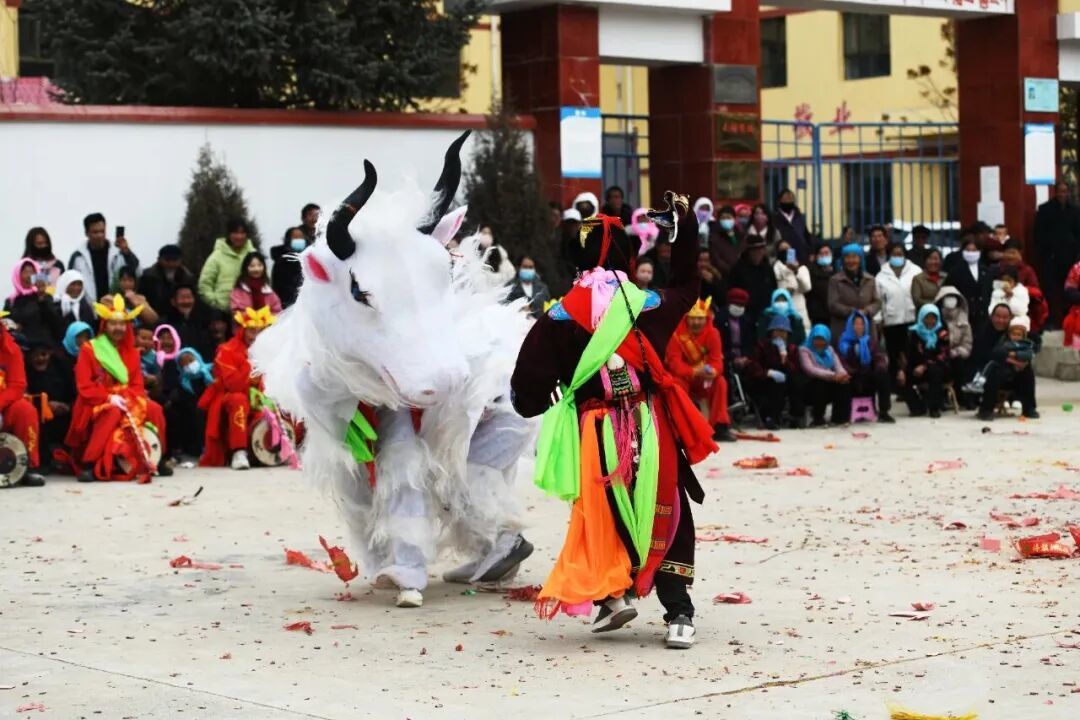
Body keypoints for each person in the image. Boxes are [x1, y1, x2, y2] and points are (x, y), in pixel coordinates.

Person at [511, 199, 717, 648]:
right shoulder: (646, 304)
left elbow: (528, 381)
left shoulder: (561, 314)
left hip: (596, 429)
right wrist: (683, 228)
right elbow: (687, 283)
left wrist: (534, 401)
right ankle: (678, 611)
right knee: (664, 505)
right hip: (648, 422)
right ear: (628, 255)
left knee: (603, 512)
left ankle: (613, 595)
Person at [64, 295, 170, 482]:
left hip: (128, 398)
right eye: (113, 323)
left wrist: (128, 398)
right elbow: (84, 386)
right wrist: (109, 397)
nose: (118, 328)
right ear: (105, 325)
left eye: (122, 324)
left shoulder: (132, 353)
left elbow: (137, 385)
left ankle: (157, 456)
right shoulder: (90, 349)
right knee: (111, 411)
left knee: (155, 409)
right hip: (95, 401)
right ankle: (90, 463)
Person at [199, 306, 275, 469]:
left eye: (261, 331)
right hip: (230, 396)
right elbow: (233, 385)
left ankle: (275, 448)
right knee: (238, 400)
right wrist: (250, 364)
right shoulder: (226, 350)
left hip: (259, 397)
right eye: (252, 331)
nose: (256, 336)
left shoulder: (270, 351)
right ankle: (238, 451)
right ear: (243, 330)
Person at [665, 297, 735, 442]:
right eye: (693, 318)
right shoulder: (676, 335)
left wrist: (713, 372)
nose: (696, 322)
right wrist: (695, 371)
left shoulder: (713, 334)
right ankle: (681, 428)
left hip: (704, 379)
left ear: (706, 319)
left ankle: (720, 426)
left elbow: (717, 362)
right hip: (684, 378)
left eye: (700, 318)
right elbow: (674, 364)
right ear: (686, 318)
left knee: (720, 382)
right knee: (676, 385)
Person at [24, 337, 75, 475]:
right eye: (35, 355)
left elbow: (76, 394)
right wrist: (44, 405)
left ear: (50, 354)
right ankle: (42, 462)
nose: (39, 359)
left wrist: (67, 406)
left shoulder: (63, 369)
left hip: (64, 414)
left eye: (43, 354)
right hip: (39, 416)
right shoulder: (25, 372)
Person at [748, 313, 804, 430]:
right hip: (765, 380)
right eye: (777, 331)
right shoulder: (762, 346)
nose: (780, 334)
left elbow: (794, 369)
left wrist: (784, 358)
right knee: (775, 386)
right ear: (771, 332)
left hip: (785, 379)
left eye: (783, 332)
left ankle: (796, 416)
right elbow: (754, 365)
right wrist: (768, 373)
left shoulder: (792, 349)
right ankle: (771, 418)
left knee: (797, 382)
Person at [1034, 181, 1080, 323]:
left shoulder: (1075, 210)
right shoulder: (1045, 209)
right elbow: (1038, 235)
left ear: (1068, 192)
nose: (1062, 194)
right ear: (1055, 192)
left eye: (1065, 191)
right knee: (1051, 290)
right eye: (1060, 191)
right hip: (1051, 258)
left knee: (1069, 289)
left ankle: (1068, 318)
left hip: (1070, 257)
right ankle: (1053, 320)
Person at [976, 316, 1038, 421]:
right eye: (1014, 334)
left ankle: (1029, 408)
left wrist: (1018, 357)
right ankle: (986, 410)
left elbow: (1029, 354)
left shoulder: (1026, 344)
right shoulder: (1004, 342)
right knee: (995, 372)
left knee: (1027, 372)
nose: (1016, 337)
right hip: (1000, 374)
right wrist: (1012, 358)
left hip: (1017, 376)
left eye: (1019, 334)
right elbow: (997, 354)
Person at [837, 310, 894, 423]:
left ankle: (884, 412)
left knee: (883, 375)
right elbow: (841, 361)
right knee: (844, 380)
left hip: (868, 374)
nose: (859, 327)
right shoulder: (843, 342)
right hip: (852, 375)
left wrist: (880, 366)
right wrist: (851, 371)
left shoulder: (870, 341)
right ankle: (843, 415)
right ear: (850, 325)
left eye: (861, 324)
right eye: (856, 324)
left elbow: (878, 357)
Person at [876, 243, 921, 379]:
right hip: (891, 321)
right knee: (893, 355)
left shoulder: (915, 271)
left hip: (912, 319)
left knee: (911, 354)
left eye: (900, 254)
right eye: (894, 254)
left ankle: (911, 382)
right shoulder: (881, 276)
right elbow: (878, 300)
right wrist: (879, 320)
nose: (897, 257)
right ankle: (894, 383)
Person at [68, 213, 136, 303]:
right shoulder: (78, 257)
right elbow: (70, 285)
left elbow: (136, 274)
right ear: (86, 233)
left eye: (102, 231)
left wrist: (127, 252)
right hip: (89, 308)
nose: (100, 235)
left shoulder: (118, 253)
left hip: (115, 308)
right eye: (95, 232)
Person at [899, 304, 950, 418]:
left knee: (935, 371)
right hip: (916, 367)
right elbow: (907, 353)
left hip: (938, 367)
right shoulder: (913, 333)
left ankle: (934, 408)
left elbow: (943, 355)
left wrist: (924, 365)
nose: (930, 321)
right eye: (927, 318)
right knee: (902, 376)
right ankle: (917, 407)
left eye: (933, 318)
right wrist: (902, 370)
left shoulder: (942, 333)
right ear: (921, 318)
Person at [164, 347, 212, 464]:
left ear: (197, 358)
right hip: (192, 415)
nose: (189, 365)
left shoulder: (210, 371)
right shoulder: (183, 382)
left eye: (191, 360)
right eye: (184, 364)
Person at [198, 218, 256, 312]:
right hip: (223, 313)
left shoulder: (253, 254)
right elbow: (204, 284)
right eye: (235, 233)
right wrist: (216, 305)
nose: (239, 236)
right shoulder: (217, 256)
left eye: (242, 233)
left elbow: (265, 281)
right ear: (229, 234)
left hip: (251, 312)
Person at [798, 324, 850, 427]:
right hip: (809, 386)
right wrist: (833, 375)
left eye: (822, 339)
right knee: (819, 384)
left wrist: (843, 375)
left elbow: (838, 365)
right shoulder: (804, 350)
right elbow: (810, 370)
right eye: (817, 339)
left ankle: (839, 418)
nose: (819, 342)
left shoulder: (829, 350)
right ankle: (818, 419)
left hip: (828, 382)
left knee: (844, 384)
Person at [828, 244, 880, 339]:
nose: (851, 261)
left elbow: (877, 302)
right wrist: (853, 312)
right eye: (847, 257)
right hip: (843, 328)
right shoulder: (835, 280)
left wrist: (867, 311)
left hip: (866, 328)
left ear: (860, 259)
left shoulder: (870, 279)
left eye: (854, 257)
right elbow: (832, 304)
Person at [5, 260, 63, 345]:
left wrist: (42, 299)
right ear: (17, 275)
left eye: (32, 272)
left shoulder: (44, 297)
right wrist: (13, 326)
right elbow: (5, 323)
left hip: (41, 346)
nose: (29, 276)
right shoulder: (11, 301)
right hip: (19, 345)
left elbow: (55, 322)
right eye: (25, 272)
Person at [728, 236, 777, 328]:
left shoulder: (767, 269)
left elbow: (774, 288)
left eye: (761, 250)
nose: (759, 253)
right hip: (745, 316)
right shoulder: (738, 270)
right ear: (749, 251)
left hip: (765, 315)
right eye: (756, 250)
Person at [137, 244, 196, 318]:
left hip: (181, 318)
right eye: (167, 260)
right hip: (154, 318)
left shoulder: (188, 278)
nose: (171, 264)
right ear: (159, 259)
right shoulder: (147, 277)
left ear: (180, 260)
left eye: (174, 260)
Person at [936, 286, 973, 399]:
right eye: (947, 297)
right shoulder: (933, 318)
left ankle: (962, 396)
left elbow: (967, 343)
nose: (950, 300)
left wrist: (956, 352)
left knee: (959, 364)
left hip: (956, 355)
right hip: (938, 355)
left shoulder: (963, 320)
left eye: (953, 297)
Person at [948, 234, 988, 330]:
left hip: (982, 317)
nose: (971, 253)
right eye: (968, 250)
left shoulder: (985, 270)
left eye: (974, 250)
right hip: (963, 316)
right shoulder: (955, 271)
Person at [772, 238, 812, 331]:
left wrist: (795, 270)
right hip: (783, 315)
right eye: (783, 251)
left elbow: (806, 288)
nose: (786, 253)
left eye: (788, 250)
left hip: (800, 314)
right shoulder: (775, 270)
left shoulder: (802, 269)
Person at [229, 251, 283, 316]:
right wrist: (252, 317)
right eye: (252, 266)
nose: (256, 269)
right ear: (246, 268)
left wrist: (267, 317)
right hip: (245, 322)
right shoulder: (239, 290)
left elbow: (277, 311)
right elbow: (236, 311)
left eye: (259, 265)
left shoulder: (268, 291)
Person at [718, 288, 756, 377]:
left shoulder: (747, 321)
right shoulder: (720, 319)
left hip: (744, 358)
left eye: (741, 305)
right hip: (725, 358)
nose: (738, 307)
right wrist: (729, 357)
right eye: (735, 304)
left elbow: (751, 341)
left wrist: (746, 357)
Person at [270, 227, 309, 308]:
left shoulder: (309, 257)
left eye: (301, 237)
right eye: (296, 237)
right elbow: (278, 288)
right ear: (288, 240)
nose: (299, 240)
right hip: (287, 306)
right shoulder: (282, 261)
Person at [772, 189, 810, 262]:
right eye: (785, 199)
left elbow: (806, 235)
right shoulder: (775, 218)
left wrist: (810, 251)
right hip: (784, 257)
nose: (788, 201)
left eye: (790, 199)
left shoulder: (798, 217)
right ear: (780, 201)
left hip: (802, 256)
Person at [708, 205, 745, 277]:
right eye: (723, 218)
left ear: (734, 219)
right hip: (723, 275)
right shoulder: (714, 237)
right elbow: (716, 259)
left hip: (740, 274)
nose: (726, 220)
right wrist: (731, 271)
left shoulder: (740, 235)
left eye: (728, 217)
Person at [806, 242, 834, 327]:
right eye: (821, 254)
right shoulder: (811, 273)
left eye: (826, 253)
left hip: (833, 315)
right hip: (818, 316)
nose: (824, 256)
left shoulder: (837, 273)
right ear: (816, 256)